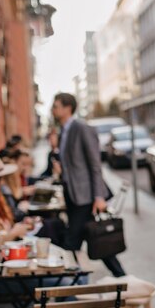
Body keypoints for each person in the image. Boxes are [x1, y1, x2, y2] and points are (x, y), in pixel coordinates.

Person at [0, 150, 85, 308]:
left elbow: (6, 228)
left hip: (17, 262)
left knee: (77, 273)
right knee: (68, 282)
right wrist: (12, 233)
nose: (1, 182)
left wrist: (22, 226)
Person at [51, 92, 126, 277]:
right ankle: (123, 278)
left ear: (68, 108)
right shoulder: (63, 131)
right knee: (98, 241)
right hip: (72, 194)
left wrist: (99, 197)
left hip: (85, 197)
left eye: (56, 106)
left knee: (72, 242)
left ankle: (66, 290)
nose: (53, 110)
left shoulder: (82, 128)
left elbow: (95, 164)